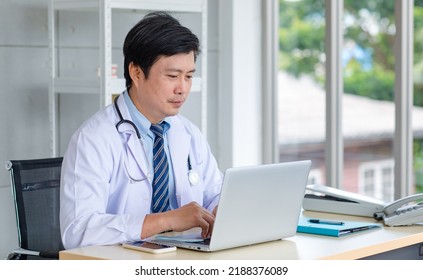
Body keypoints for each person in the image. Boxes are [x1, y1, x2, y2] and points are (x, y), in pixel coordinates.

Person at [60, 11, 223, 249]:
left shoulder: (188, 133)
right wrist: (167, 220)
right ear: (136, 72)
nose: (182, 88)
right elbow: (78, 231)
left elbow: (214, 193)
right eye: (172, 76)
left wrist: (222, 211)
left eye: (189, 76)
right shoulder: (94, 138)